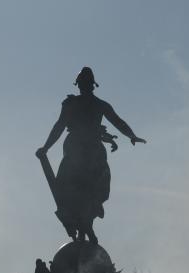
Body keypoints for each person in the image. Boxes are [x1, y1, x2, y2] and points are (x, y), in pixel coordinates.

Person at [37, 67, 145, 243]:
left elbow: (117, 121)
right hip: (80, 149)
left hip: (89, 150)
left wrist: (131, 135)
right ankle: (82, 225)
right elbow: (60, 126)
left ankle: (85, 225)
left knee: (92, 189)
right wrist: (46, 147)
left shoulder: (94, 105)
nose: (84, 86)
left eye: (84, 83)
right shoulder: (81, 104)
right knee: (78, 187)